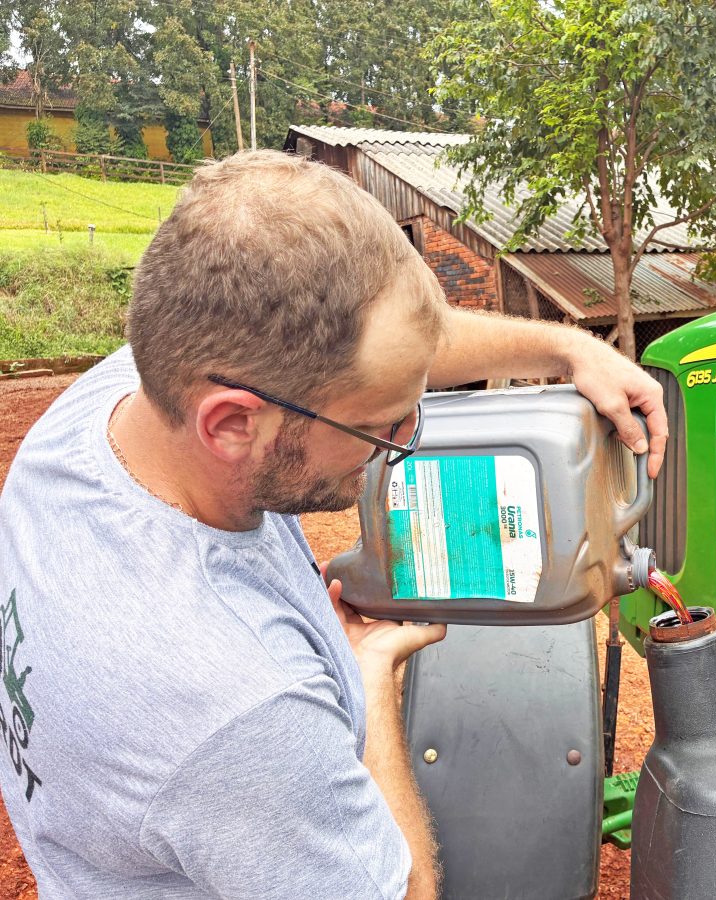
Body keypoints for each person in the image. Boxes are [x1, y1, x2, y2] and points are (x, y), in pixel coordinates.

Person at [0, 149, 667, 899]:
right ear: (231, 425)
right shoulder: (244, 713)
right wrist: (368, 681)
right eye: (383, 425)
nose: (411, 438)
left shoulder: (110, 403)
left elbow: (394, 347)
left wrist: (568, 346)